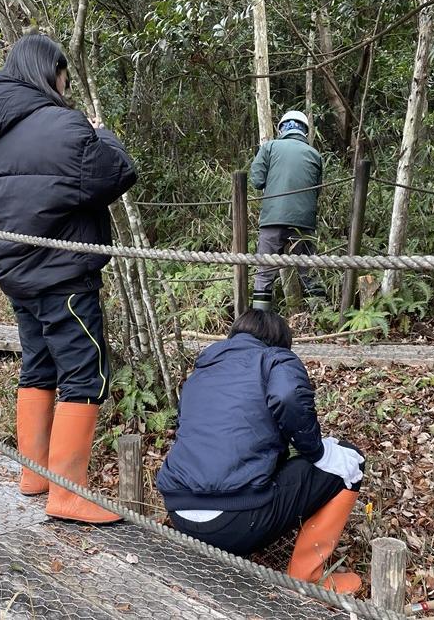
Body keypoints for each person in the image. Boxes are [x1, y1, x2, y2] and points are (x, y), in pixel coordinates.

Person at [0, 34, 137, 524]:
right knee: (85, 371)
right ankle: (67, 493)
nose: (66, 83)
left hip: (16, 270)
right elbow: (118, 172)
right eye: (64, 74)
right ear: (51, 73)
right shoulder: (64, 126)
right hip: (61, 273)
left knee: (39, 364)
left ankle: (34, 473)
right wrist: (102, 133)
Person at [156, 310, 365, 592]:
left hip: (180, 513)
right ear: (279, 340)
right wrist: (317, 452)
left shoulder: (202, 370)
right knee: (349, 460)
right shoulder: (274, 358)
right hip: (235, 522)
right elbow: (288, 396)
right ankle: (308, 579)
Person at [249, 111, 325, 311]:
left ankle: (260, 319)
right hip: (303, 222)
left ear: (282, 128)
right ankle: (322, 317)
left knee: (265, 272)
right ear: (305, 131)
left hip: (272, 219)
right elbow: (316, 191)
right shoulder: (315, 155)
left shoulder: (270, 147)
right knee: (308, 270)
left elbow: (256, 180)